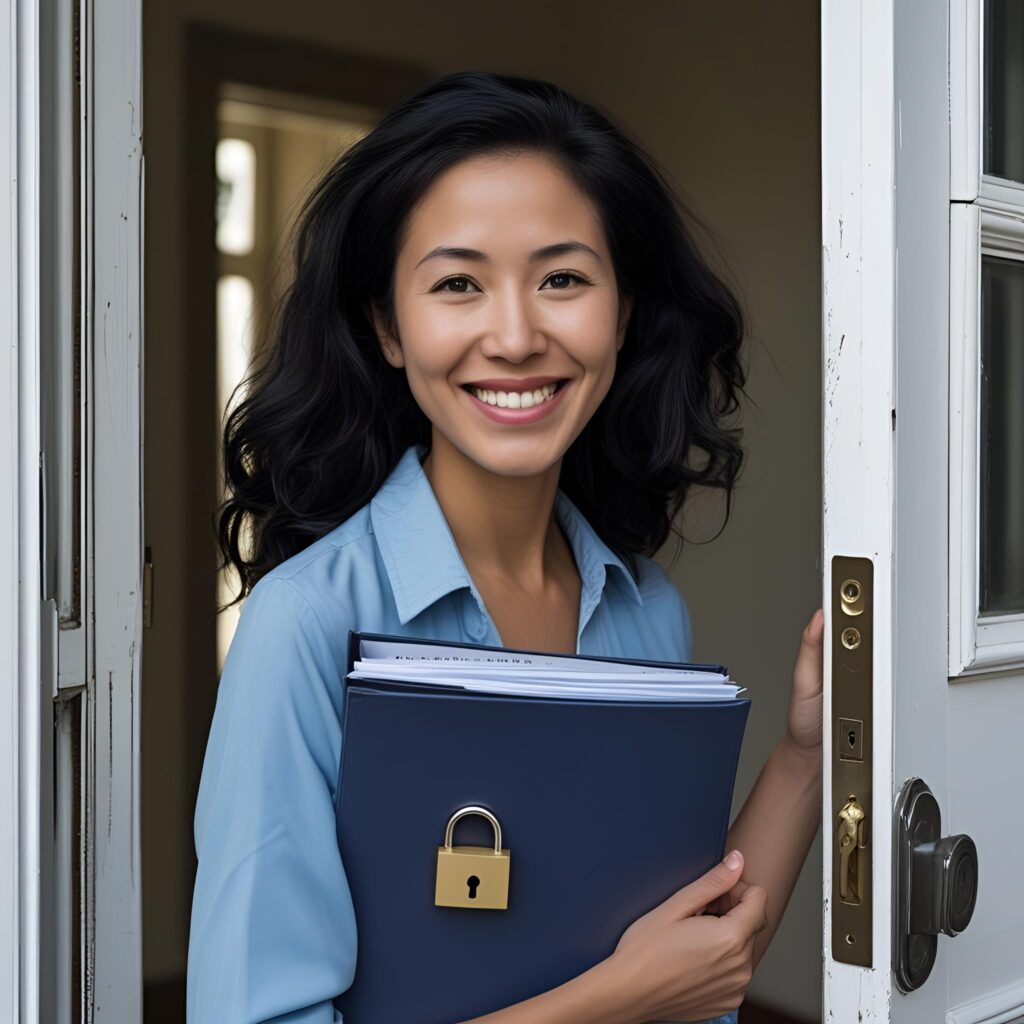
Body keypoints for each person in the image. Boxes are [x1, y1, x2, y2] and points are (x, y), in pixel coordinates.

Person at [187, 70, 824, 1024]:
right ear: (387, 328)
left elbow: (696, 967)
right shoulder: (307, 624)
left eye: (562, 278)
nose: (517, 335)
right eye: (457, 285)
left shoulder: (646, 610)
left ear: (625, 310)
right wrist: (619, 999)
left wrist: (808, 753)